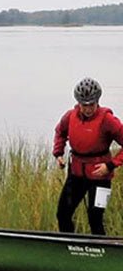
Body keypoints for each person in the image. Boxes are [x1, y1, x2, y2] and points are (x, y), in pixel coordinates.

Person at [53, 77, 123, 235]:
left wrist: (111, 165)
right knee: (63, 213)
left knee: (95, 217)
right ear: (78, 103)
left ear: (98, 101)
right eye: (84, 105)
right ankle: (70, 247)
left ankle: (99, 253)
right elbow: (60, 132)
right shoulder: (70, 116)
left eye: (91, 104)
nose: (88, 109)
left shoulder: (108, 120)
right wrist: (58, 154)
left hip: (101, 178)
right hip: (76, 175)